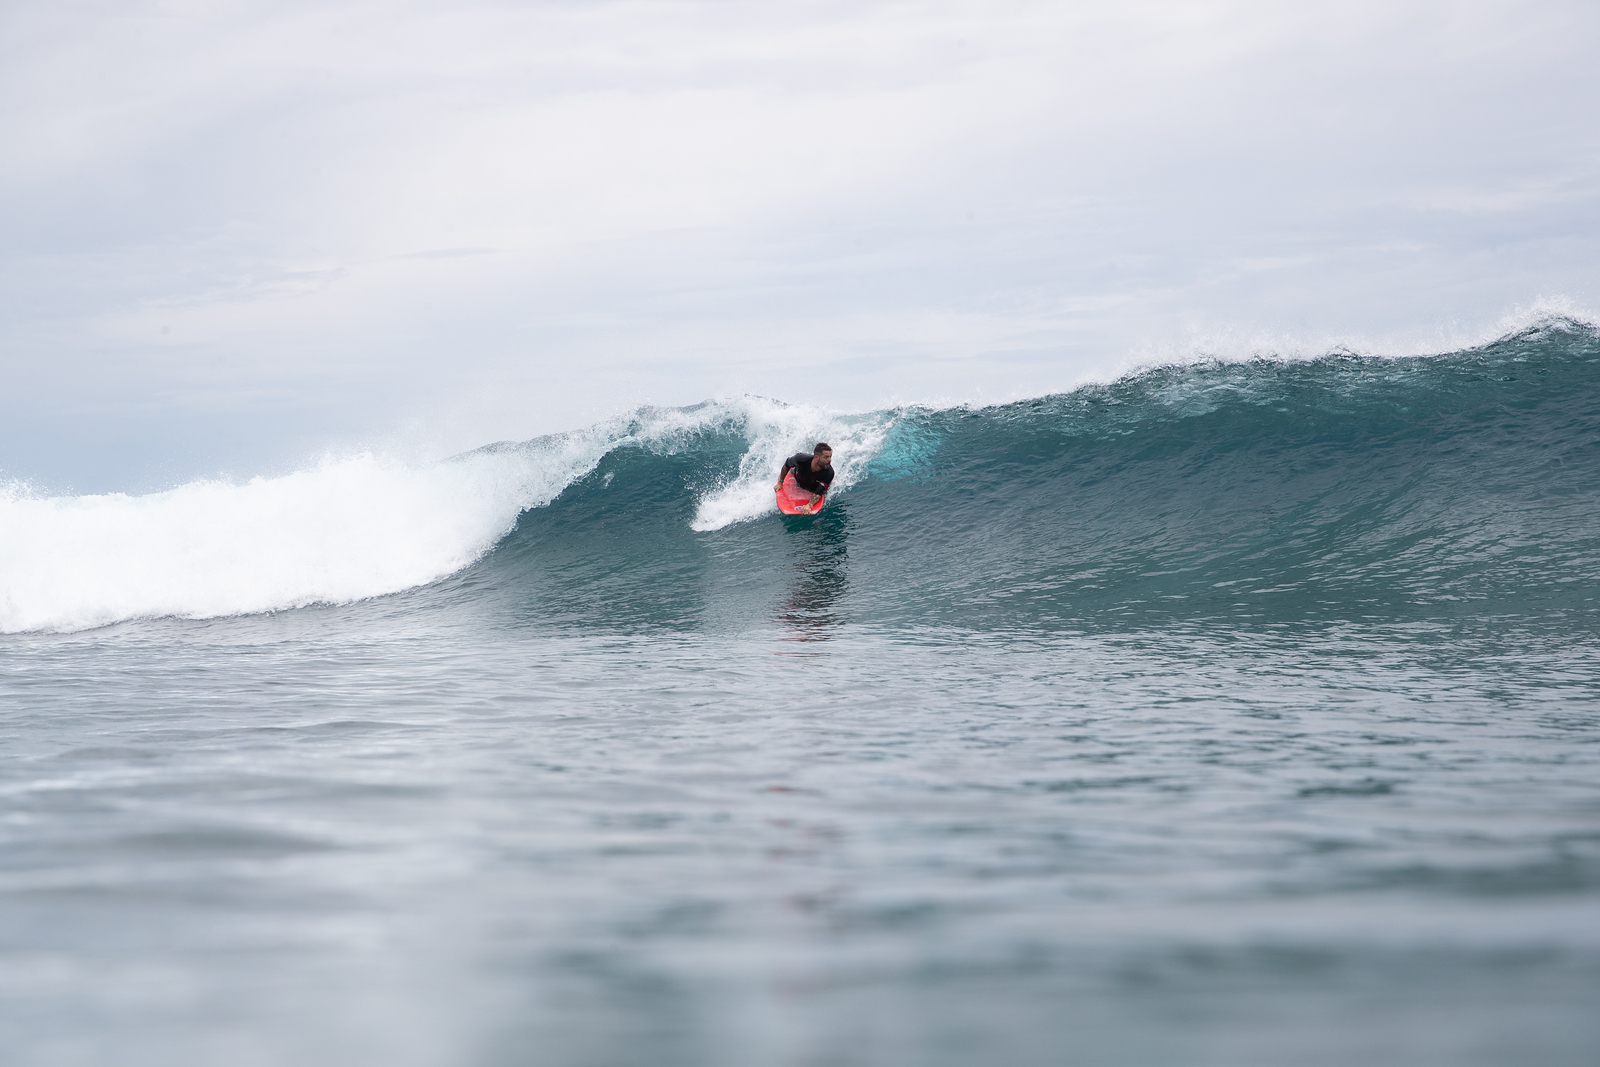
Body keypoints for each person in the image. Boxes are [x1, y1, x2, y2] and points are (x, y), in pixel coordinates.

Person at [776, 443, 834, 510]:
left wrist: (809, 505)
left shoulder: (829, 473)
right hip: (798, 477)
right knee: (793, 469)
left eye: (830, 457)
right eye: (826, 457)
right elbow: (787, 464)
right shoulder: (801, 459)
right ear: (816, 457)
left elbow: (818, 493)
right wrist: (780, 482)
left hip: (814, 487)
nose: (829, 460)